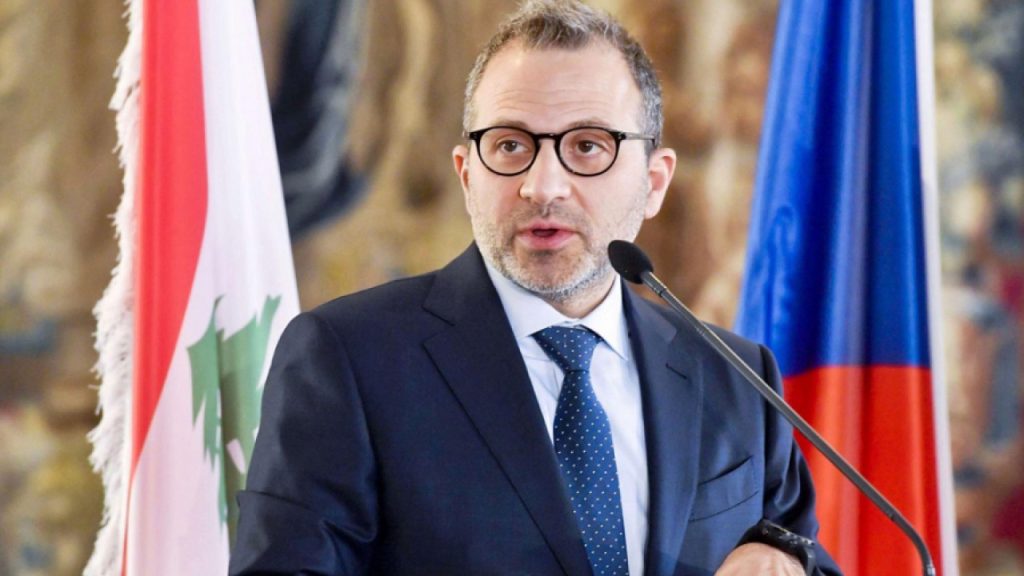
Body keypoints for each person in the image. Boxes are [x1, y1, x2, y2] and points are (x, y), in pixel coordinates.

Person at [230, 1, 841, 574]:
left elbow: (796, 547)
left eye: (588, 146)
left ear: (654, 183)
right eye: (510, 146)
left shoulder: (737, 377)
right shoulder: (349, 358)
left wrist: (784, 561)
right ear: (466, 175)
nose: (543, 186)